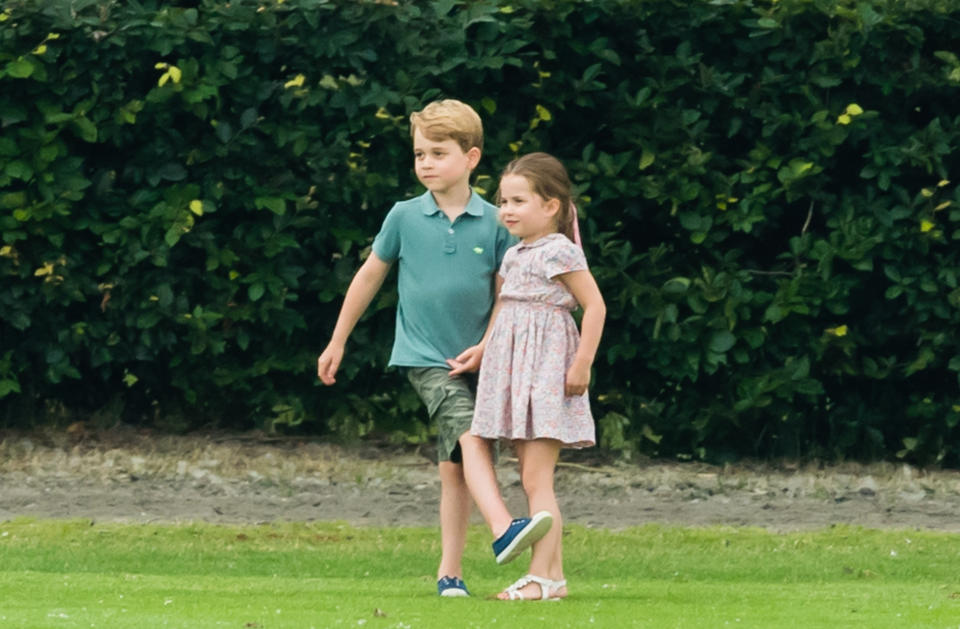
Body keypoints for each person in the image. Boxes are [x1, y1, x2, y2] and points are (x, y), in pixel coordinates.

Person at [316, 100, 551, 598]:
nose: (425, 163)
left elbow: (510, 295)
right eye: (419, 153)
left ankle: (449, 574)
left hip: (483, 359)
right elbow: (370, 276)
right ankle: (503, 527)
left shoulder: (494, 221)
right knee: (469, 434)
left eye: (437, 153)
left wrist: (486, 348)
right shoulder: (404, 216)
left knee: (454, 468)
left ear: (471, 157)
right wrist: (338, 338)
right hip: (425, 358)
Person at [455, 152, 606, 601]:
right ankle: (553, 577)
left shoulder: (560, 250)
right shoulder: (517, 253)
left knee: (537, 479)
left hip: (546, 369)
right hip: (513, 369)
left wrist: (581, 364)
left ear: (551, 206)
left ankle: (541, 578)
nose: (507, 210)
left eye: (519, 200)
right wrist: (484, 349)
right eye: (504, 201)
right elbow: (507, 306)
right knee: (529, 475)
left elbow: (594, 305)